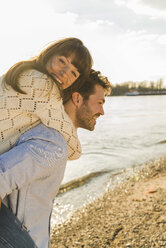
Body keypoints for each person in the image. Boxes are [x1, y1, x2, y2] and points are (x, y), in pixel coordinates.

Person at [0, 70, 111, 248]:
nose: (102, 111)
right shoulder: (53, 144)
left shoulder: (44, 135)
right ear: (77, 99)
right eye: (99, 103)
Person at [0, 37, 93, 160]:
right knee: (52, 140)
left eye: (74, 73)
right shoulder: (44, 84)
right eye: (62, 61)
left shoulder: (20, 73)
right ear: (49, 54)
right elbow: (74, 151)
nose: (64, 73)